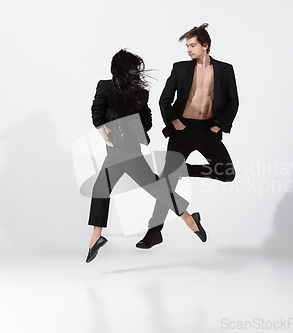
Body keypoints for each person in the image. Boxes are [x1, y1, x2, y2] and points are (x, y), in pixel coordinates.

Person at [86, 49, 204, 263]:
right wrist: (107, 133)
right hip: (116, 151)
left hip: (129, 151)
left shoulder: (139, 92)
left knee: (109, 188)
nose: (135, 74)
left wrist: (130, 122)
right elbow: (97, 115)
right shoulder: (105, 86)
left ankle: (95, 238)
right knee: (153, 188)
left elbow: (147, 121)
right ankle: (190, 219)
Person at [136, 23, 239, 249]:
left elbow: (233, 102)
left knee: (227, 173)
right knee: (166, 184)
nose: (188, 50)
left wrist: (219, 127)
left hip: (208, 129)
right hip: (183, 129)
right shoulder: (181, 68)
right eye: (187, 46)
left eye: (192, 45)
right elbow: (164, 99)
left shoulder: (225, 70)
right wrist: (174, 121)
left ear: (206, 45)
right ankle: (154, 233)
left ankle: (185, 170)